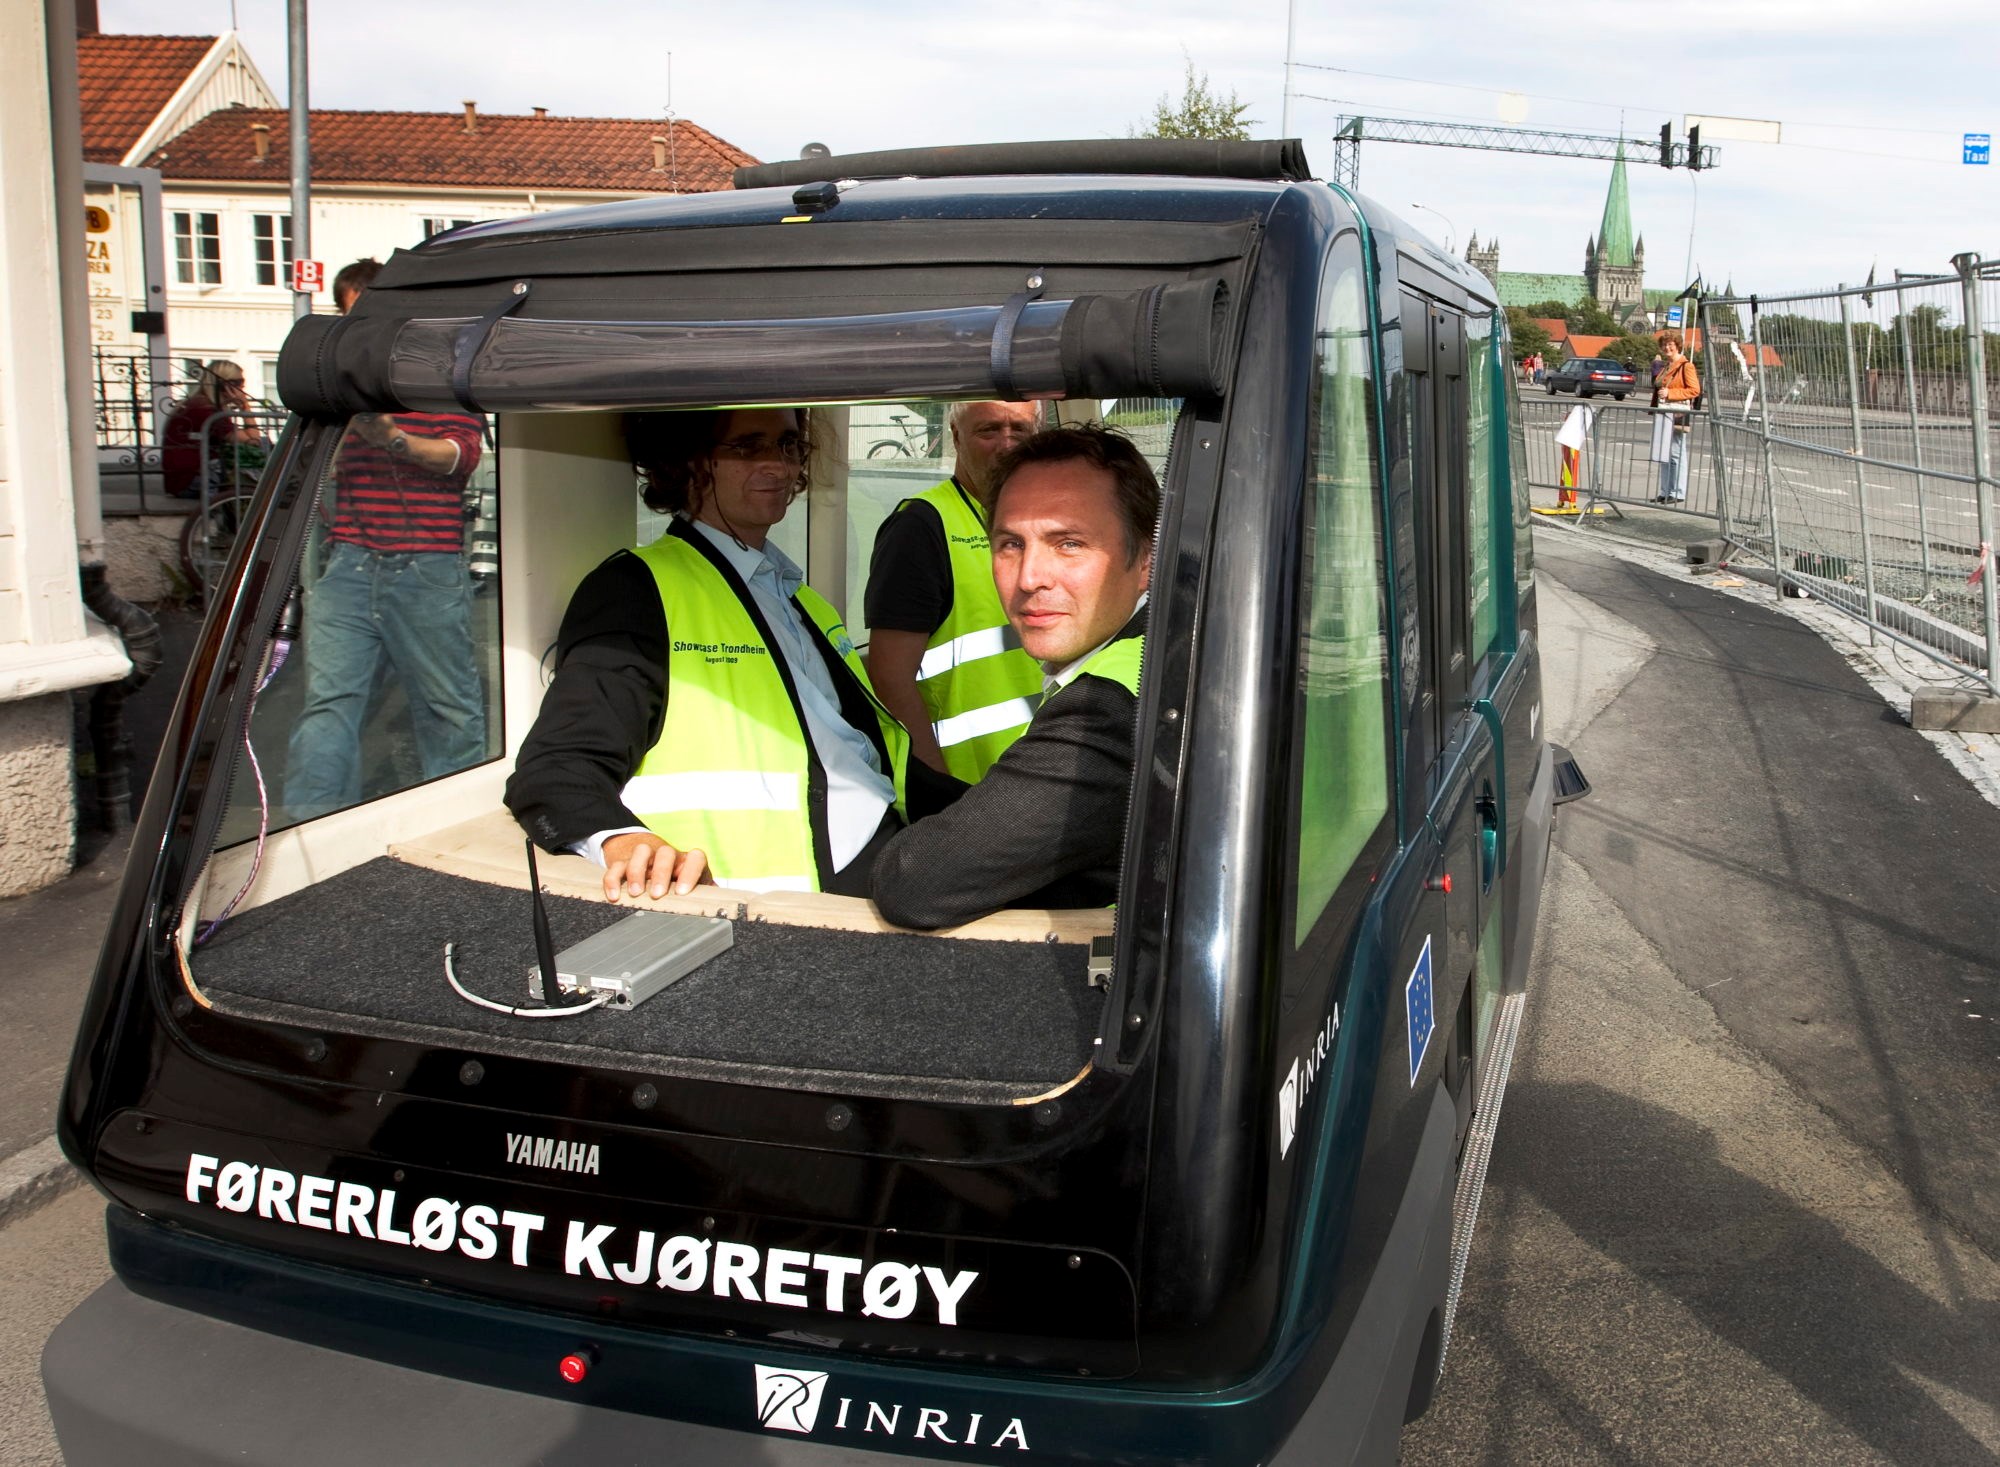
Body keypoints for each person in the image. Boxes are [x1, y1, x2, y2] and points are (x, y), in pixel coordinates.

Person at [506, 408, 953, 902]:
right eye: (747, 447)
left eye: (787, 446)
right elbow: (557, 765)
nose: (779, 467)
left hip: (885, 844)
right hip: (781, 897)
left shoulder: (800, 599)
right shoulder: (636, 589)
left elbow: (863, 749)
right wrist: (621, 839)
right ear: (686, 461)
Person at [871, 423, 1155, 931]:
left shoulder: (1108, 712)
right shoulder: (1153, 650)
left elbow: (915, 882)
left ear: (1146, 560)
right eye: (1009, 544)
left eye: (1068, 543)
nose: (1029, 578)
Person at [283, 259, 490, 816]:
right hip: (349, 561)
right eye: (349, 316)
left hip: (426, 564)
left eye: (367, 314)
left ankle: (454, 818)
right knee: (330, 704)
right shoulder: (337, 388)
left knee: (446, 706)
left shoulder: (436, 376)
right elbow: (312, 472)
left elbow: (459, 456)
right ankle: (313, 827)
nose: (359, 330)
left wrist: (393, 438)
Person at [863, 401, 1047, 781]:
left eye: (1020, 430)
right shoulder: (920, 528)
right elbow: (890, 679)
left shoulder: (1046, 523)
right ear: (956, 435)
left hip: (1043, 772)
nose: (1007, 445)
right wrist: (938, 791)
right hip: (970, 788)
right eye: (989, 430)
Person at [160, 360, 265, 498]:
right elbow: (253, 440)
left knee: (264, 445)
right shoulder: (206, 411)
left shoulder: (199, 403)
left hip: (184, 479)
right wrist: (244, 406)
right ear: (225, 385)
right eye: (239, 382)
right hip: (192, 481)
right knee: (262, 447)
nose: (243, 386)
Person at [1653, 330, 1701, 504]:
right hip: (1664, 412)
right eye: (1665, 345)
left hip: (1677, 412)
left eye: (1670, 345)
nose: (1667, 348)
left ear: (1677, 346)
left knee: (1676, 452)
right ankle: (1665, 490)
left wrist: (1670, 393)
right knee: (1664, 452)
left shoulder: (1685, 365)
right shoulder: (1667, 365)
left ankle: (1678, 491)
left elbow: (1694, 390)